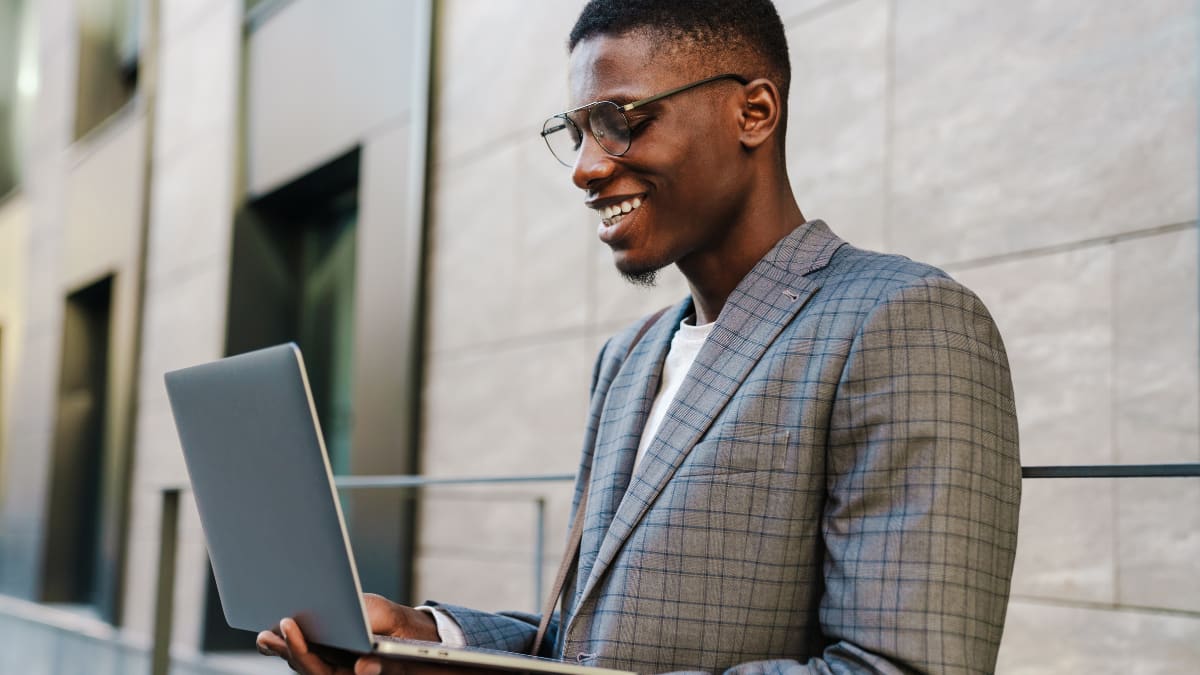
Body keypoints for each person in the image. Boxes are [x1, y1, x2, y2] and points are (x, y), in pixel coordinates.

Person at [257, 1, 1022, 673]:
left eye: (621, 121)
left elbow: (899, 668)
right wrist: (428, 642)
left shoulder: (903, 320)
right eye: (578, 131)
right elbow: (589, 645)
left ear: (754, 112)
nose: (587, 169)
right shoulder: (628, 358)